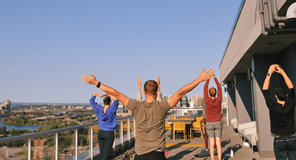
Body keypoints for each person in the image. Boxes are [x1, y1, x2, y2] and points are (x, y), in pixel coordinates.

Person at [82, 68, 215, 160]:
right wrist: (199, 79)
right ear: (157, 93)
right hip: (157, 155)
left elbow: (116, 94)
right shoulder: (162, 106)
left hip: (140, 155)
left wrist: (96, 83)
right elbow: (181, 92)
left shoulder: (136, 106)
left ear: (144, 92)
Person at [262, 64, 296, 160]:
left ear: (276, 96)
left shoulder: (273, 106)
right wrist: (282, 72)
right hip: (292, 138)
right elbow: (291, 87)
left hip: (279, 140)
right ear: (286, 95)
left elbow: (265, 90)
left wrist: (269, 73)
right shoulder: (291, 104)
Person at [90, 92, 119, 160]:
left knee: (102, 154)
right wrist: (108, 94)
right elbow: (116, 100)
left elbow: (92, 102)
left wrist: (94, 95)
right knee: (105, 155)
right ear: (110, 102)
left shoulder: (99, 109)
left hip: (101, 133)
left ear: (103, 102)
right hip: (109, 133)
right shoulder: (112, 110)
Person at [203, 77, 223, 160]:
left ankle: (212, 159)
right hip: (218, 122)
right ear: (216, 93)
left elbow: (204, 88)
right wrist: (215, 78)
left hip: (209, 123)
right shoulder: (219, 99)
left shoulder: (207, 100)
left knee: (211, 143)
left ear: (208, 93)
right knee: (218, 143)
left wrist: (208, 79)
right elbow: (219, 88)